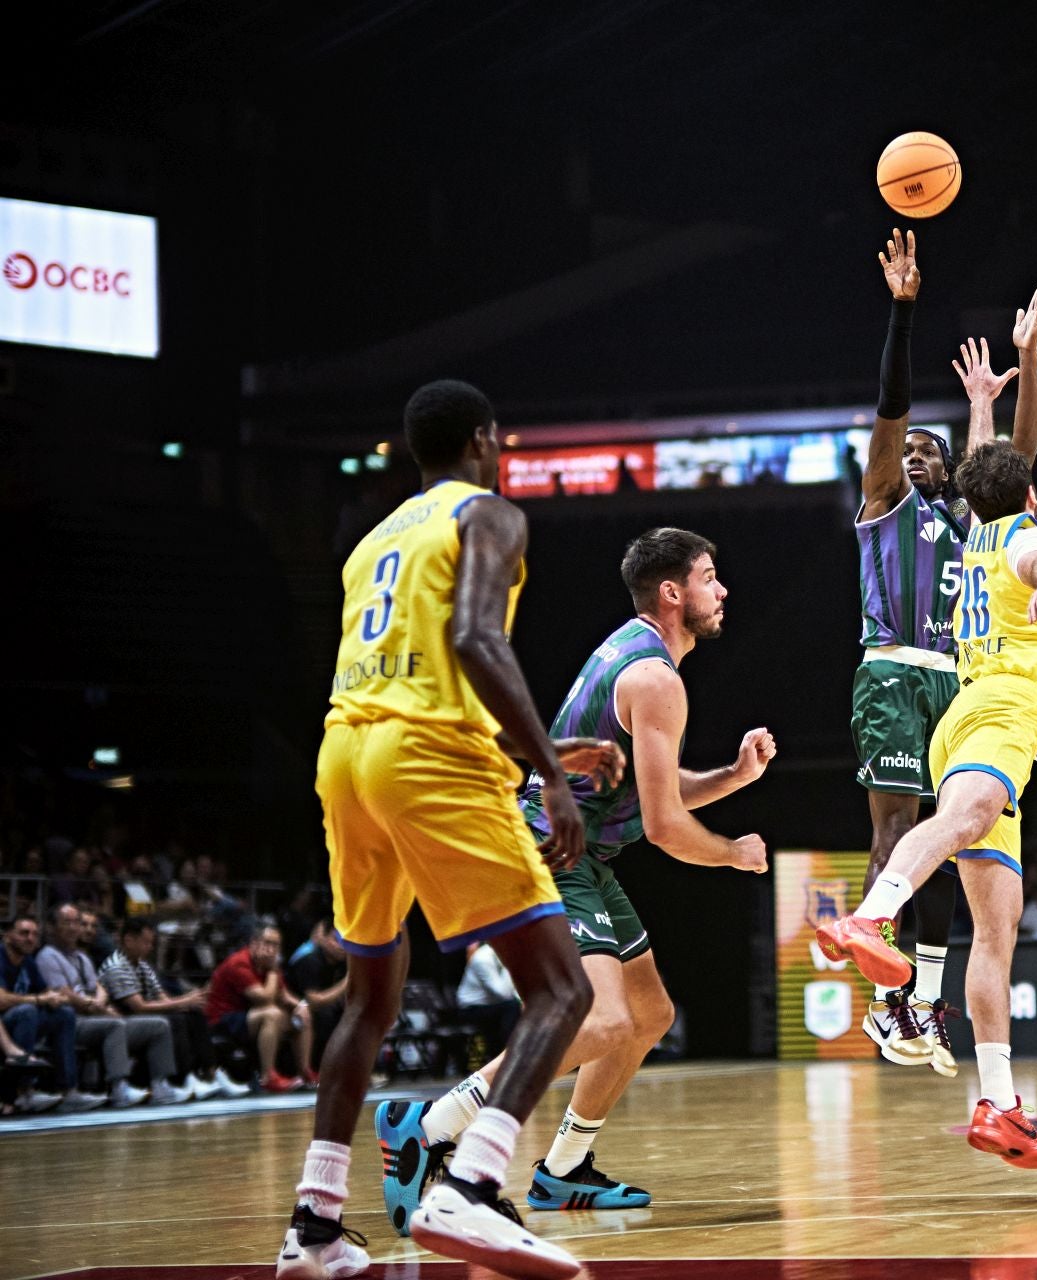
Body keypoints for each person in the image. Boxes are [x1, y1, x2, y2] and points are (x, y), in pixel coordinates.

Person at [273, 378, 622, 1280]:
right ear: (481, 439)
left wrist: (550, 743)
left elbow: (423, 669)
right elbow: (475, 639)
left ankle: (313, 1229)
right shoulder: (490, 515)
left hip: (345, 756)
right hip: (427, 759)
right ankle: (468, 1189)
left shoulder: (372, 542)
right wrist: (547, 773)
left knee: (368, 1002)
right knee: (563, 993)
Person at [385, 528, 771, 1224]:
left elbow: (650, 789)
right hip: (549, 850)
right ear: (672, 593)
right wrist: (732, 852)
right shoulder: (655, 679)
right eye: (711, 577)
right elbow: (663, 828)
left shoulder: (637, 654)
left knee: (649, 1015)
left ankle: (562, 1171)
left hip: (584, 855)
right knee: (602, 1021)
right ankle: (432, 1126)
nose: (723, 590)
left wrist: (734, 777)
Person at [819, 439, 1037, 1170]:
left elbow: (991, 467)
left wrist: (986, 399)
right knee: (960, 820)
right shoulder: (1028, 534)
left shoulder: (975, 533)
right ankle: (871, 917)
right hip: (1000, 713)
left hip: (981, 720)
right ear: (1029, 495)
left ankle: (1000, 1105)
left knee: (997, 933)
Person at [849, 226, 1037, 1073]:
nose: (921, 457)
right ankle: (883, 999)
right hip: (895, 672)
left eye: (937, 451)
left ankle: (922, 999)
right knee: (898, 831)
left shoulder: (976, 525)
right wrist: (904, 309)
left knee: (950, 841)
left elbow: (1015, 456)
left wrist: (1012, 379)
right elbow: (892, 407)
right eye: (915, 450)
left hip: (962, 691)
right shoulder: (886, 498)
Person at [39, 903, 173, 1107]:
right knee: (115, 1025)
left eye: (76, 922)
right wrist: (95, 1005)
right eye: (67, 922)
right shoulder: (47, 956)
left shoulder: (82, 957)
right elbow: (62, 994)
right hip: (71, 1022)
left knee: (158, 1026)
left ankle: (160, 1084)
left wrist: (99, 1001)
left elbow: (98, 986)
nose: (74, 927)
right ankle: (119, 1087)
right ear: (52, 927)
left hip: (94, 1016)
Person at [102, 917, 250, 1100]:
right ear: (129, 940)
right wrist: (183, 1002)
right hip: (124, 1018)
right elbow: (139, 1006)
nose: (150, 947)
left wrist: (189, 1000)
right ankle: (185, 1078)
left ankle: (212, 1074)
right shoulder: (116, 966)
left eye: (151, 942)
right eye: (146, 942)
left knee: (193, 1013)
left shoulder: (142, 965)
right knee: (176, 1019)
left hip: (143, 1016)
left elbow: (162, 998)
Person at [0, 916, 101, 1112]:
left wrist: (55, 997)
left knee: (63, 1014)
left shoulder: (28, 961)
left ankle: (68, 1090)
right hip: (5, 1023)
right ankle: (24, 1090)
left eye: (35, 934)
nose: (30, 938)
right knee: (27, 1011)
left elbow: (45, 991)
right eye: (24, 933)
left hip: (20, 1022)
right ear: (8, 936)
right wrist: (38, 1000)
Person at [205, 925, 311, 1093]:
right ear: (253, 943)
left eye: (276, 945)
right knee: (272, 1014)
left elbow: (283, 995)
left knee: (301, 1016)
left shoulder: (267, 965)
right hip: (222, 1020)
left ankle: (305, 1072)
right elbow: (264, 998)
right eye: (267, 943)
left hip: (248, 1016)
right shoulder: (239, 963)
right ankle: (268, 1077)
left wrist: (301, 1005)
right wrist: (273, 973)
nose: (272, 949)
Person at [284, 921, 350, 1077]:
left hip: (323, 1007)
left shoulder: (344, 962)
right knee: (322, 1016)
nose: (341, 946)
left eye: (345, 941)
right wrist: (345, 983)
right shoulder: (309, 960)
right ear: (324, 939)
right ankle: (310, 1072)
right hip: (293, 1008)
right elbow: (313, 1000)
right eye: (336, 940)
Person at [455, 942, 519, 1061]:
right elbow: (502, 993)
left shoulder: (497, 957)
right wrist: (510, 965)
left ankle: (512, 1051)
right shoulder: (482, 959)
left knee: (517, 1005)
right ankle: (509, 1053)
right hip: (470, 1010)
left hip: (490, 1006)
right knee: (512, 1007)